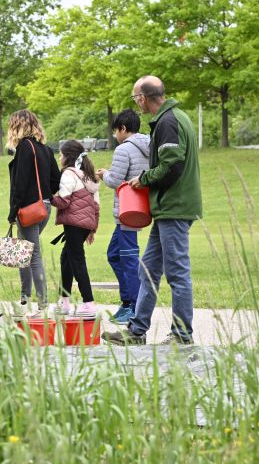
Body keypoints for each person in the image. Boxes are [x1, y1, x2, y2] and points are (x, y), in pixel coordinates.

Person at [103, 75, 202, 345]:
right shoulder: (174, 117)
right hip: (167, 208)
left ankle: (182, 335)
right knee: (147, 269)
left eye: (136, 98)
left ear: (144, 98)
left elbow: (172, 166)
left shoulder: (169, 121)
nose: (136, 103)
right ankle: (136, 331)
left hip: (175, 207)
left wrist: (143, 178)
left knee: (177, 272)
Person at [96, 109, 150, 324]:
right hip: (138, 209)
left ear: (124, 129)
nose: (115, 135)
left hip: (127, 211)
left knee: (128, 260)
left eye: (115, 131)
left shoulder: (124, 149)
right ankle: (127, 301)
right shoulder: (147, 147)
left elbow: (116, 180)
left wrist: (103, 174)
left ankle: (134, 306)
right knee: (114, 254)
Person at [6, 109, 61, 317]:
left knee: (31, 254)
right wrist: (45, 195)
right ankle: (25, 299)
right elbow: (56, 179)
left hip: (28, 207)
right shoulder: (45, 149)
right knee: (23, 251)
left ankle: (41, 304)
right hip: (44, 206)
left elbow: (19, 183)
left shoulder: (24, 148)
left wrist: (13, 211)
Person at [50, 140, 100, 318]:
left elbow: (64, 202)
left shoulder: (69, 174)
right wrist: (92, 229)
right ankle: (64, 301)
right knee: (67, 258)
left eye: (61, 154)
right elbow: (96, 205)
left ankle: (89, 303)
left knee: (77, 260)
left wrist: (47, 197)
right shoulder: (88, 175)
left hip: (73, 224)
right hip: (84, 226)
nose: (59, 157)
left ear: (68, 157)